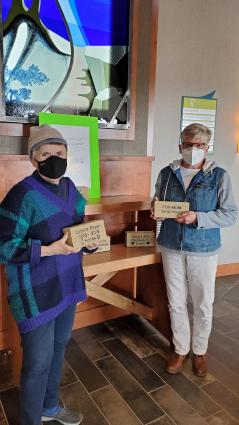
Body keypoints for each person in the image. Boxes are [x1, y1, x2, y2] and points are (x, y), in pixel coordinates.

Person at [0, 124, 94, 425]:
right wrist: (47, 250)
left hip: (66, 285)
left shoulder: (71, 190)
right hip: (34, 292)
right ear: (33, 159)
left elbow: (78, 232)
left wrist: (90, 243)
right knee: (37, 362)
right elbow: (3, 246)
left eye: (60, 152)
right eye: (46, 153)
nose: (54, 158)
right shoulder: (21, 195)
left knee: (59, 346)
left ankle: (50, 406)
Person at [152, 123, 238, 377]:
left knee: (203, 303)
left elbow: (230, 214)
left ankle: (200, 351)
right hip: (170, 245)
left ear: (207, 147)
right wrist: (154, 208)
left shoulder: (219, 175)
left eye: (199, 145)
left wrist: (197, 217)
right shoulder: (166, 173)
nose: (193, 149)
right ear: (180, 145)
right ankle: (180, 349)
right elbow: (157, 200)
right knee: (175, 302)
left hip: (203, 247)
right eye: (189, 144)